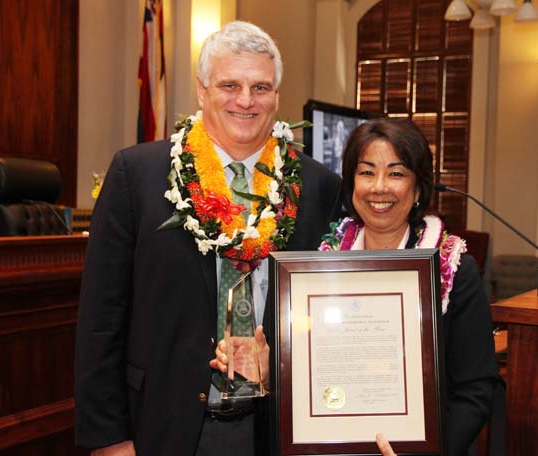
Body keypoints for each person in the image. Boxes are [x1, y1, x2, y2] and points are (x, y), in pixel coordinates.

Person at [75, 21, 342, 456]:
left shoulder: (317, 186)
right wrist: (107, 436)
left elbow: (327, 314)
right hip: (161, 423)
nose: (245, 100)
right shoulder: (136, 175)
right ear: (202, 91)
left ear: (276, 96)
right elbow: (100, 318)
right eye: (230, 84)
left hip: (275, 429)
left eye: (261, 87)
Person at [319, 117, 499, 456]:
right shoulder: (322, 263)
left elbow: (475, 390)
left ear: (417, 189)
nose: (379, 187)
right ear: (351, 183)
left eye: (397, 173)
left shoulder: (455, 269)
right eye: (366, 172)